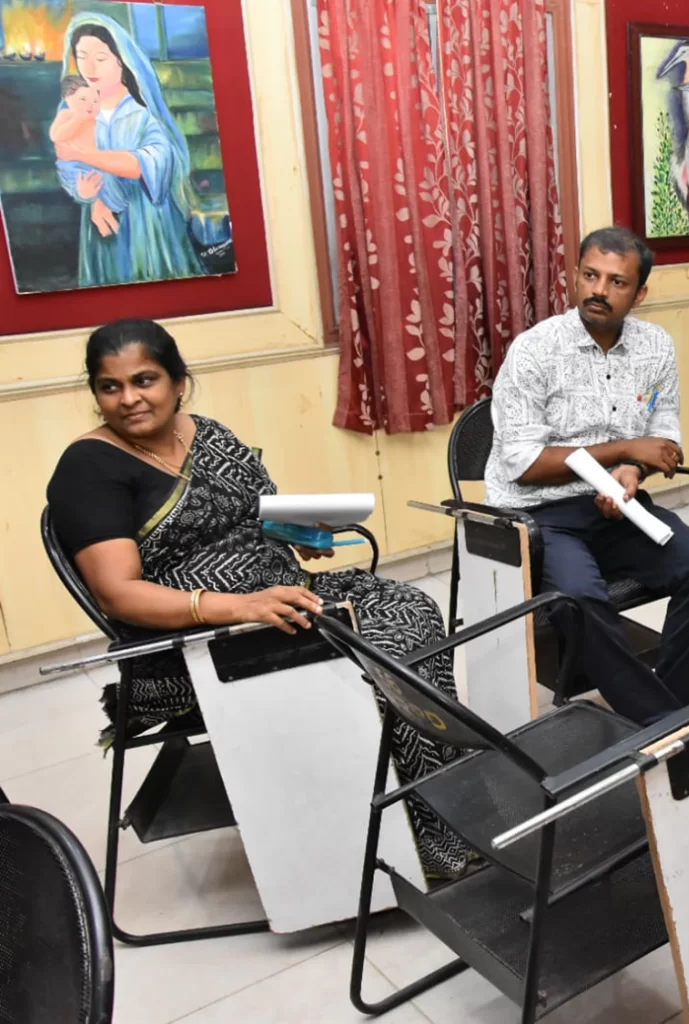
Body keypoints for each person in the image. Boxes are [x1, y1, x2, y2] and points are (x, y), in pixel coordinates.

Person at [46, 319, 467, 878]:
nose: (128, 399)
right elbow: (118, 594)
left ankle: (445, 794)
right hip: (202, 641)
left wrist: (300, 535)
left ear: (178, 382)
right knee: (380, 649)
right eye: (110, 386)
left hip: (282, 601)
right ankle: (418, 834)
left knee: (411, 607)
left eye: (144, 380)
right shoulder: (88, 468)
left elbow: (258, 519)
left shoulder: (208, 434)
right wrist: (241, 607)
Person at [485, 225, 689, 725]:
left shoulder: (656, 347)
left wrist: (632, 469)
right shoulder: (534, 350)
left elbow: (662, 439)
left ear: (639, 294)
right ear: (574, 276)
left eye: (617, 282)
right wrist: (621, 449)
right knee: (580, 599)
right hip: (540, 514)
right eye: (591, 276)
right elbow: (522, 464)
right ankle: (664, 724)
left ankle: (669, 705)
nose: (599, 290)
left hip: (619, 505)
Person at [56, 15, 206, 286]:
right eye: (82, 57)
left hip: (145, 220)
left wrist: (82, 155)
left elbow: (147, 163)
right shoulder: (74, 109)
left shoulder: (142, 113)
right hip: (100, 223)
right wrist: (89, 196)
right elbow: (67, 163)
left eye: (101, 58)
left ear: (121, 60)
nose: (90, 68)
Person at [51, 76, 118, 240]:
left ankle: (109, 225)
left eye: (95, 101)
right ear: (68, 100)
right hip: (73, 167)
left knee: (106, 190)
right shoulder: (67, 115)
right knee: (89, 189)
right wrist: (78, 119)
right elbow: (56, 135)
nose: (90, 105)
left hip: (95, 164)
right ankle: (104, 224)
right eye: (83, 100)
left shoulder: (98, 121)